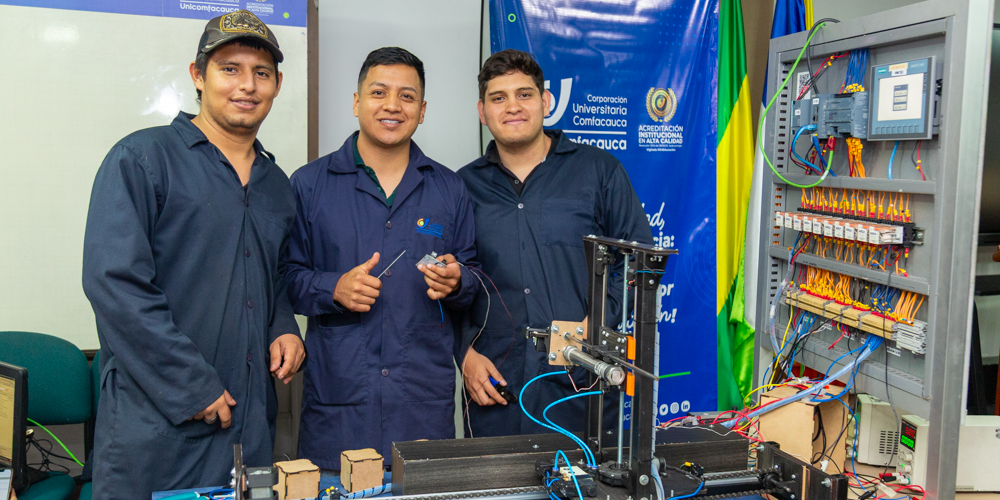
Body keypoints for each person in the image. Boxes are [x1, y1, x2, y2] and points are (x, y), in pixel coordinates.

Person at [82, 11, 305, 499]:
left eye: (261, 72)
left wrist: (283, 324)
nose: (247, 85)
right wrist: (191, 385)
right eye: (230, 68)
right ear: (198, 76)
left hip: (251, 430)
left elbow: (268, 278)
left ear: (277, 84)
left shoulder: (276, 186)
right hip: (157, 431)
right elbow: (114, 284)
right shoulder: (142, 160)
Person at [284, 47, 479, 469]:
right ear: (357, 103)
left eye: (407, 96)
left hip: (422, 411)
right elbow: (285, 278)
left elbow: (474, 276)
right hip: (338, 411)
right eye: (378, 92)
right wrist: (332, 288)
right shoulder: (309, 185)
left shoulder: (449, 189)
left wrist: (458, 280)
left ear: (422, 110)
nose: (392, 105)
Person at [457, 49, 654, 437]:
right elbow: (452, 283)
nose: (512, 106)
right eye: (499, 98)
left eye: (524, 94)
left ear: (545, 102)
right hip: (496, 386)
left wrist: (597, 323)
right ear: (483, 112)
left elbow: (639, 262)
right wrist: (463, 355)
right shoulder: (461, 187)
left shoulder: (599, 171)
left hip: (583, 382)